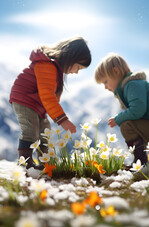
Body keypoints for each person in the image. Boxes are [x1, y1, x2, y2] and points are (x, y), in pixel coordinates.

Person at [9, 36, 91, 170]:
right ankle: (26, 165)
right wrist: (62, 119)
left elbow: (50, 95)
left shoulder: (53, 68)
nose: (76, 72)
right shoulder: (47, 65)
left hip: (36, 103)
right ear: (70, 57)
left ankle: (46, 164)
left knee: (44, 132)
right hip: (25, 99)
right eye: (78, 67)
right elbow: (47, 95)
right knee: (30, 129)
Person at [94, 53, 149, 166]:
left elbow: (137, 110)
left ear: (116, 71)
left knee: (126, 125)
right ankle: (143, 161)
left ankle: (141, 162)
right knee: (129, 124)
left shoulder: (132, 85)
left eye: (105, 81)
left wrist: (118, 118)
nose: (105, 87)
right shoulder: (131, 86)